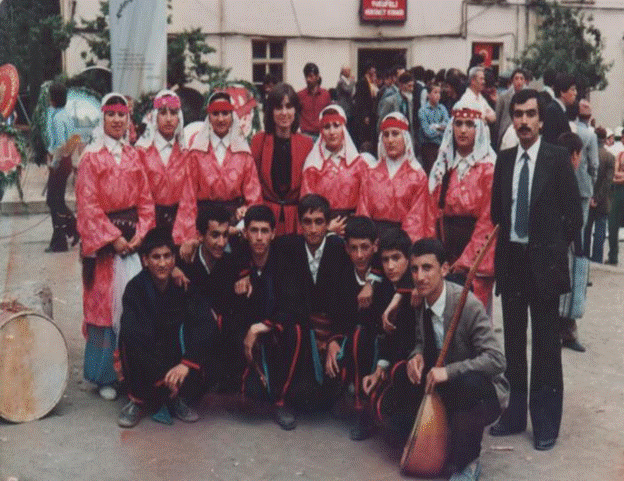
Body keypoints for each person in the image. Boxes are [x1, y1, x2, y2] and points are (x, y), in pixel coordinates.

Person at [490, 89, 582, 450]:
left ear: (541, 120)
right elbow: (499, 213)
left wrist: (551, 249)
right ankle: (513, 417)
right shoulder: (505, 159)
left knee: (545, 345)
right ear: (512, 118)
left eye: (530, 114)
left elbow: (573, 217)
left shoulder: (557, 158)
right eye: (518, 114)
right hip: (512, 262)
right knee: (513, 345)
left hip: (544, 266)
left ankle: (545, 425)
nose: (524, 121)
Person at [401, 238, 507, 481]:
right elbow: (420, 340)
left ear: (445, 269)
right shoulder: (421, 299)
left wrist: (449, 371)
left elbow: (496, 359)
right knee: (401, 379)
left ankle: (468, 462)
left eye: (427, 268)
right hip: (444, 385)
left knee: (467, 384)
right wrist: (415, 356)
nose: (419, 276)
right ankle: (444, 439)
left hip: (480, 391)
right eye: (415, 269)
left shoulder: (467, 305)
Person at [76, 93, 156, 401]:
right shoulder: (91, 157)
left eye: (122, 115)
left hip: (132, 240)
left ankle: (132, 371)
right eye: (111, 115)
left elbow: (146, 199)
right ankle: (104, 375)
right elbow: (88, 204)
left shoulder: (134, 155)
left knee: (131, 305)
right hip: (106, 246)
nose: (117, 120)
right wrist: (113, 237)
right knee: (102, 308)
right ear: (103, 118)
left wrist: (141, 232)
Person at [117, 227, 216, 428]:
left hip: (176, 361)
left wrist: (186, 364)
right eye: (156, 257)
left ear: (174, 259)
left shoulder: (183, 285)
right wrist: (163, 375)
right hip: (147, 360)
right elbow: (133, 334)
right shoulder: (135, 289)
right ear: (145, 260)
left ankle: (175, 396)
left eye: (167, 256)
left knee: (200, 330)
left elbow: (206, 323)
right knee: (129, 338)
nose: (162, 264)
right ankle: (137, 399)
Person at [274, 194, 351, 419]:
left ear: (328, 225)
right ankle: (282, 402)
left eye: (319, 222)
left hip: (332, 326)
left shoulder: (340, 248)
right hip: (303, 327)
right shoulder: (288, 247)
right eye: (307, 222)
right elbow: (255, 245)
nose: (313, 229)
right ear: (299, 224)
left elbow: (345, 298)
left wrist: (334, 338)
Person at [232, 205, 302, 430]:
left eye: (264, 231)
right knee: (252, 395)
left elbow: (291, 304)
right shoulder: (239, 259)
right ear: (246, 233)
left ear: (273, 233)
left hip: (273, 330)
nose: (259, 237)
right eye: (254, 231)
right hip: (248, 332)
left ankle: (281, 401)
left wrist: (262, 327)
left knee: (295, 332)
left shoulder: (284, 260)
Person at [173, 91, 262, 261]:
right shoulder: (196, 154)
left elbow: (255, 199)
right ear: (209, 116)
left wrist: (241, 225)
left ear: (232, 115)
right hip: (203, 230)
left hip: (235, 230)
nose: (221, 119)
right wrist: (188, 237)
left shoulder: (244, 154)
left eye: (225, 113)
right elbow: (188, 200)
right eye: (215, 113)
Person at [429, 101, 497, 310]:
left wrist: (465, 262)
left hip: (474, 256)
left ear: (479, 129)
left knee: (471, 318)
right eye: (458, 123)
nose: (463, 130)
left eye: (469, 124)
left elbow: (488, 220)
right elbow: (431, 212)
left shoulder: (489, 170)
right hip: (444, 253)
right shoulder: (444, 167)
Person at [354, 227, 415, 441]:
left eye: (396, 259)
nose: (390, 266)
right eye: (386, 260)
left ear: (408, 259)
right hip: (389, 354)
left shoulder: (417, 285)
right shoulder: (382, 288)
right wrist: (380, 367)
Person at [358, 112, 434, 242]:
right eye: (386, 135)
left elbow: (417, 217)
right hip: (374, 240)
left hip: (403, 241)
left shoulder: (417, 175)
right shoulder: (370, 172)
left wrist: (401, 245)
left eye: (395, 133)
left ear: (405, 137)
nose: (390, 140)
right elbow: (363, 211)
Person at [250, 83, 313, 235]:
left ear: (295, 110)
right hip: (266, 219)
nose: (284, 113)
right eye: (278, 107)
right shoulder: (259, 141)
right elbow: (253, 182)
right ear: (270, 111)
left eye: (289, 106)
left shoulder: (307, 144)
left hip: (296, 219)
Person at [301, 105, 370, 234]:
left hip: (353, 229)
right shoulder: (313, 166)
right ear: (321, 131)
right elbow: (307, 205)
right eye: (326, 127)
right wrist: (325, 227)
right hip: (322, 228)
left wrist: (356, 228)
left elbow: (364, 201)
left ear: (343, 128)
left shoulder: (359, 164)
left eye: (336, 125)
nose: (332, 132)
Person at [135, 90, 187, 231]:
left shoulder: (186, 154)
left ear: (179, 118)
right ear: (155, 117)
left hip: (180, 223)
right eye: (163, 113)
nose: (169, 119)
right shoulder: (141, 152)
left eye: (173, 113)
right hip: (148, 223)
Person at [557, 132, 588, 353]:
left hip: (569, 242)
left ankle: (566, 330)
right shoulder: (566, 179)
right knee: (567, 290)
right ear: (574, 155)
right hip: (566, 243)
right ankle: (566, 332)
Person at [45, 82, 79, 252]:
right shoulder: (65, 115)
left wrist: (54, 163)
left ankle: (67, 233)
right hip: (66, 161)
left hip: (59, 161)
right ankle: (66, 233)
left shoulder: (57, 118)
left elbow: (60, 144)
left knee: (53, 200)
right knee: (56, 200)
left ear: (53, 99)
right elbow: (75, 139)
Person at [584, 126, 614, 263]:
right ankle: (597, 258)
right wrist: (598, 198)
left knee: (587, 230)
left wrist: (591, 196)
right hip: (603, 200)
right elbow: (608, 182)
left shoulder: (588, 155)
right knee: (600, 231)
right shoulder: (610, 157)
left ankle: (584, 256)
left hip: (588, 198)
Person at [418, 82, 450, 175]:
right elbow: (427, 132)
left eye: (439, 93)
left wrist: (435, 127)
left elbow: (447, 125)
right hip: (429, 146)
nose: (438, 95)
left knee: (443, 172)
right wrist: (441, 130)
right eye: (435, 92)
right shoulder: (423, 111)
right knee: (431, 172)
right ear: (428, 94)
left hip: (442, 145)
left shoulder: (442, 108)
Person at [297, 63, 331, 139]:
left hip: (322, 134)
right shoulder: (300, 95)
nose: (308, 79)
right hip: (305, 134)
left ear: (317, 77)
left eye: (311, 76)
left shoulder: (325, 94)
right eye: (307, 77)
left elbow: (329, 114)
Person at [495, 68, 527, 150]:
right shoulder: (504, 96)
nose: (519, 81)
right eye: (516, 78)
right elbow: (498, 117)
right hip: (507, 129)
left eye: (521, 79)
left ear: (524, 81)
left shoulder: (528, 96)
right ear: (512, 81)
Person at [542, 73, 576, 144]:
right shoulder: (553, 111)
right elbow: (550, 141)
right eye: (572, 90)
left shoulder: (560, 110)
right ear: (562, 92)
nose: (575, 93)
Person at [353, 63, 378, 153]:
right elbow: (361, 100)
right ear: (368, 70)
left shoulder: (372, 82)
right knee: (364, 135)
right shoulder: (362, 82)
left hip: (371, 112)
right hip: (364, 114)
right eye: (372, 69)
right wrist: (365, 115)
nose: (374, 71)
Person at [607, 148, 624, 265]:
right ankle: (613, 256)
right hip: (618, 191)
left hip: (618, 190)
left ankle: (613, 256)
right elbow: (614, 173)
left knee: (613, 224)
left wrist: (615, 178)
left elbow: (615, 175)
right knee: (612, 224)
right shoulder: (620, 155)